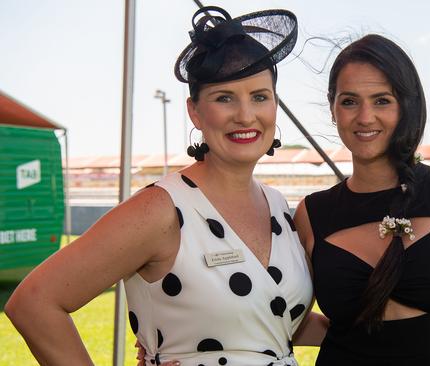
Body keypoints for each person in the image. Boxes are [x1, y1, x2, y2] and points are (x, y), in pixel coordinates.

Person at [5, 6, 325, 366]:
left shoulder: (279, 205)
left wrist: (383, 330)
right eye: (224, 98)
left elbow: (269, 320)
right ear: (195, 111)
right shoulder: (161, 209)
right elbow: (34, 302)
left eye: (260, 96)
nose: (246, 115)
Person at [293, 34, 430, 365]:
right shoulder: (311, 213)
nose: (365, 117)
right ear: (333, 109)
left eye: (382, 100)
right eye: (349, 101)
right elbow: (281, 317)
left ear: (407, 106)